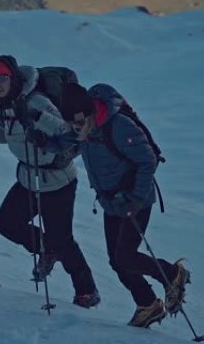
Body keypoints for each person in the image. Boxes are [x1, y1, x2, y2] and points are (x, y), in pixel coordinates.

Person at [34, 82, 190, 328]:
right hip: (111, 201)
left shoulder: (118, 126)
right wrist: (45, 142)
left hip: (135, 200)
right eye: (72, 124)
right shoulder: (82, 125)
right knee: (117, 260)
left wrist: (135, 198)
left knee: (125, 256)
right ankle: (148, 304)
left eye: (79, 123)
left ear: (90, 114)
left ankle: (172, 274)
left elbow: (148, 160)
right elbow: (67, 140)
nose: (76, 129)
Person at [0, 55, 100, 308]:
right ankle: (46, 248)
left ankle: (87, 291)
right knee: (6, 223)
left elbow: (69, 133)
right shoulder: (4, 105)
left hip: (57, 180)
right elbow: (12, 137)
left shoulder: (36, 101)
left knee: (63, 239)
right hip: (29, 178)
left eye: (2, 78)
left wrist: (37, 118)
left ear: (13, 77)